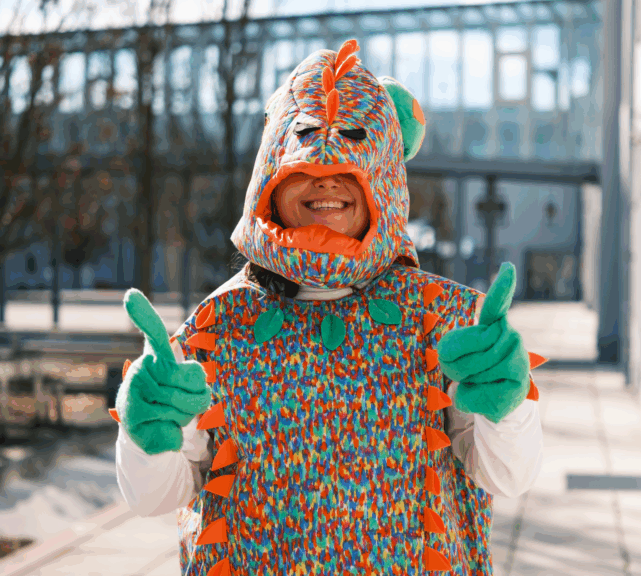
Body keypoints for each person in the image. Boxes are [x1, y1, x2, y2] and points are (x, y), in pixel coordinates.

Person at [114, 39, 544, 576]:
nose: (326, 179)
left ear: (385, 180)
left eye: (351, 160)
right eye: (304, 160)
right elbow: (156, 497)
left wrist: (507, 407)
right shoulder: (214, 329)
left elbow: (508, 476)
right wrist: (146, 436)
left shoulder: (447, 323)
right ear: (270, 176)